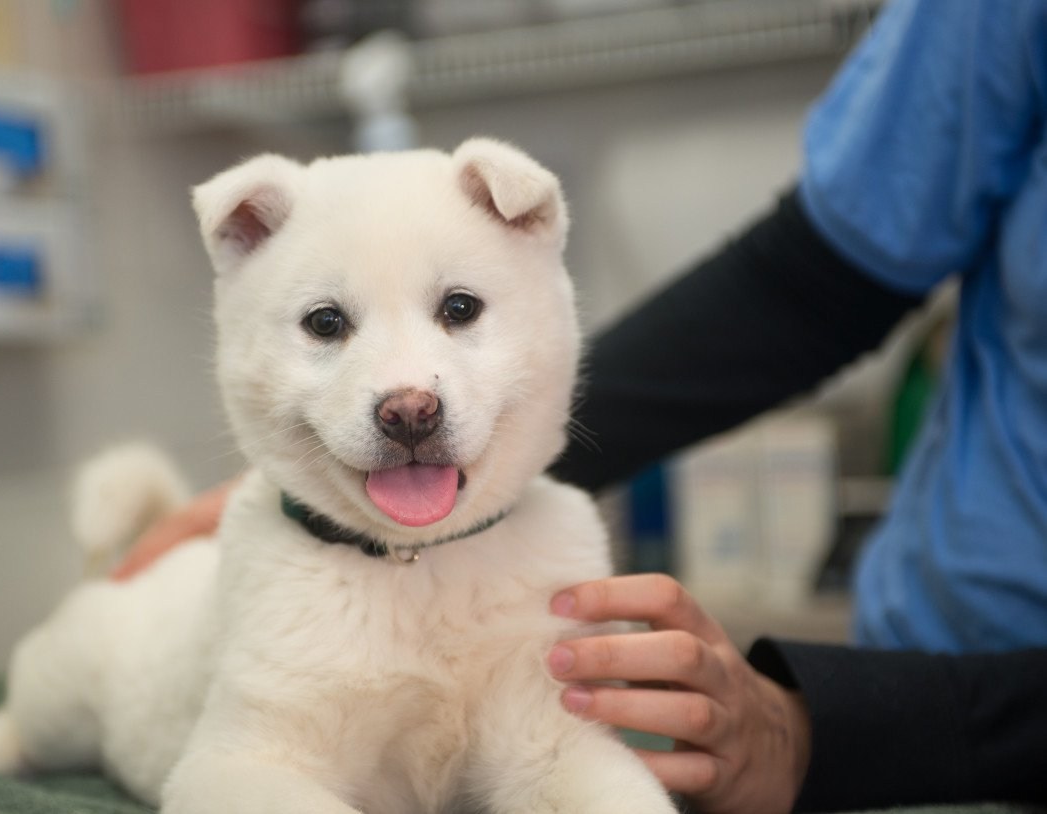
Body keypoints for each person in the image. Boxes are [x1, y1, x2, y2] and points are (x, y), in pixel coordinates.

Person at [114, 0, 1047, 810]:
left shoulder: (557, 542)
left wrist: (834, 725)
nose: (407, 395)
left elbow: (557, 765)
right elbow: (813, 283)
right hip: (936, 644)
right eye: (326, 322)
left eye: (459, 310)